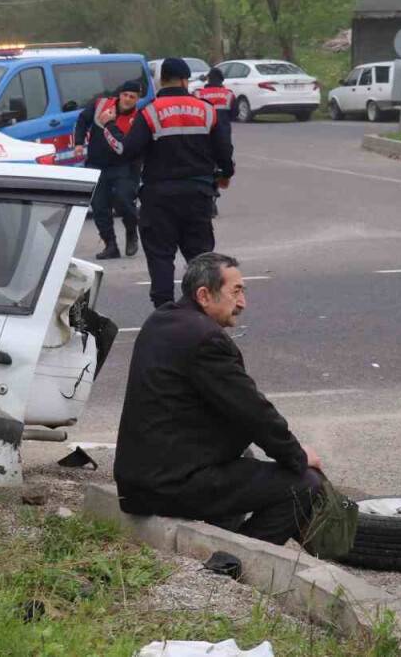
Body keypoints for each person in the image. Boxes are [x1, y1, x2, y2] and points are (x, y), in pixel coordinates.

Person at [114, 252, 325, 546]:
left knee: (244, 459)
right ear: (204, 295)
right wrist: (298, 457)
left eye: (243, 291)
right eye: (235, 292)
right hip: (168, 484)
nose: (242, 303)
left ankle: (224, 539)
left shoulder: (161, 320)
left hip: (141, 477)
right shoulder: (206, 340)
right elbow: (254, 413)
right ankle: (237, 560)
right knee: (304, 484)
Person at [98, 57, 234, 308]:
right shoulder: (206, 110)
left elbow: (125, 150)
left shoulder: (149, 112)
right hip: (198, 195)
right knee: (201, 260)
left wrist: (109, 126)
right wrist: (225, 175)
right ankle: (201, 313)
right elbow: (224, 151)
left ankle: (165, 314)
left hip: (159, 199)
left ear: (161, 81)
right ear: (185, 80)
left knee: (161, 258)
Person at [73, 79, 143, 260]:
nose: (127, 99)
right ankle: (110, 245)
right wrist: (79, 143)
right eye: (125, 95)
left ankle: (131, 231)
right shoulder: (101, 105)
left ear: (137, 99)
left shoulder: (139, 118)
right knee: (99, 206)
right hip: (97, 164)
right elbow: (82, 120)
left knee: (123, 200)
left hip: (124, 166)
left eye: (132, 97)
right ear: (119, 95)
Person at [195, 68, 236, 218]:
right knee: (222, 167)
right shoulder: (229, 95)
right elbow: (235, 114)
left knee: (205, 168)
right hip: (224, 138)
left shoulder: (199, 94)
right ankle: (213, 197)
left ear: (208, 80)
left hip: (204, 137)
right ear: (222, 80)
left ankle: (209, 201)